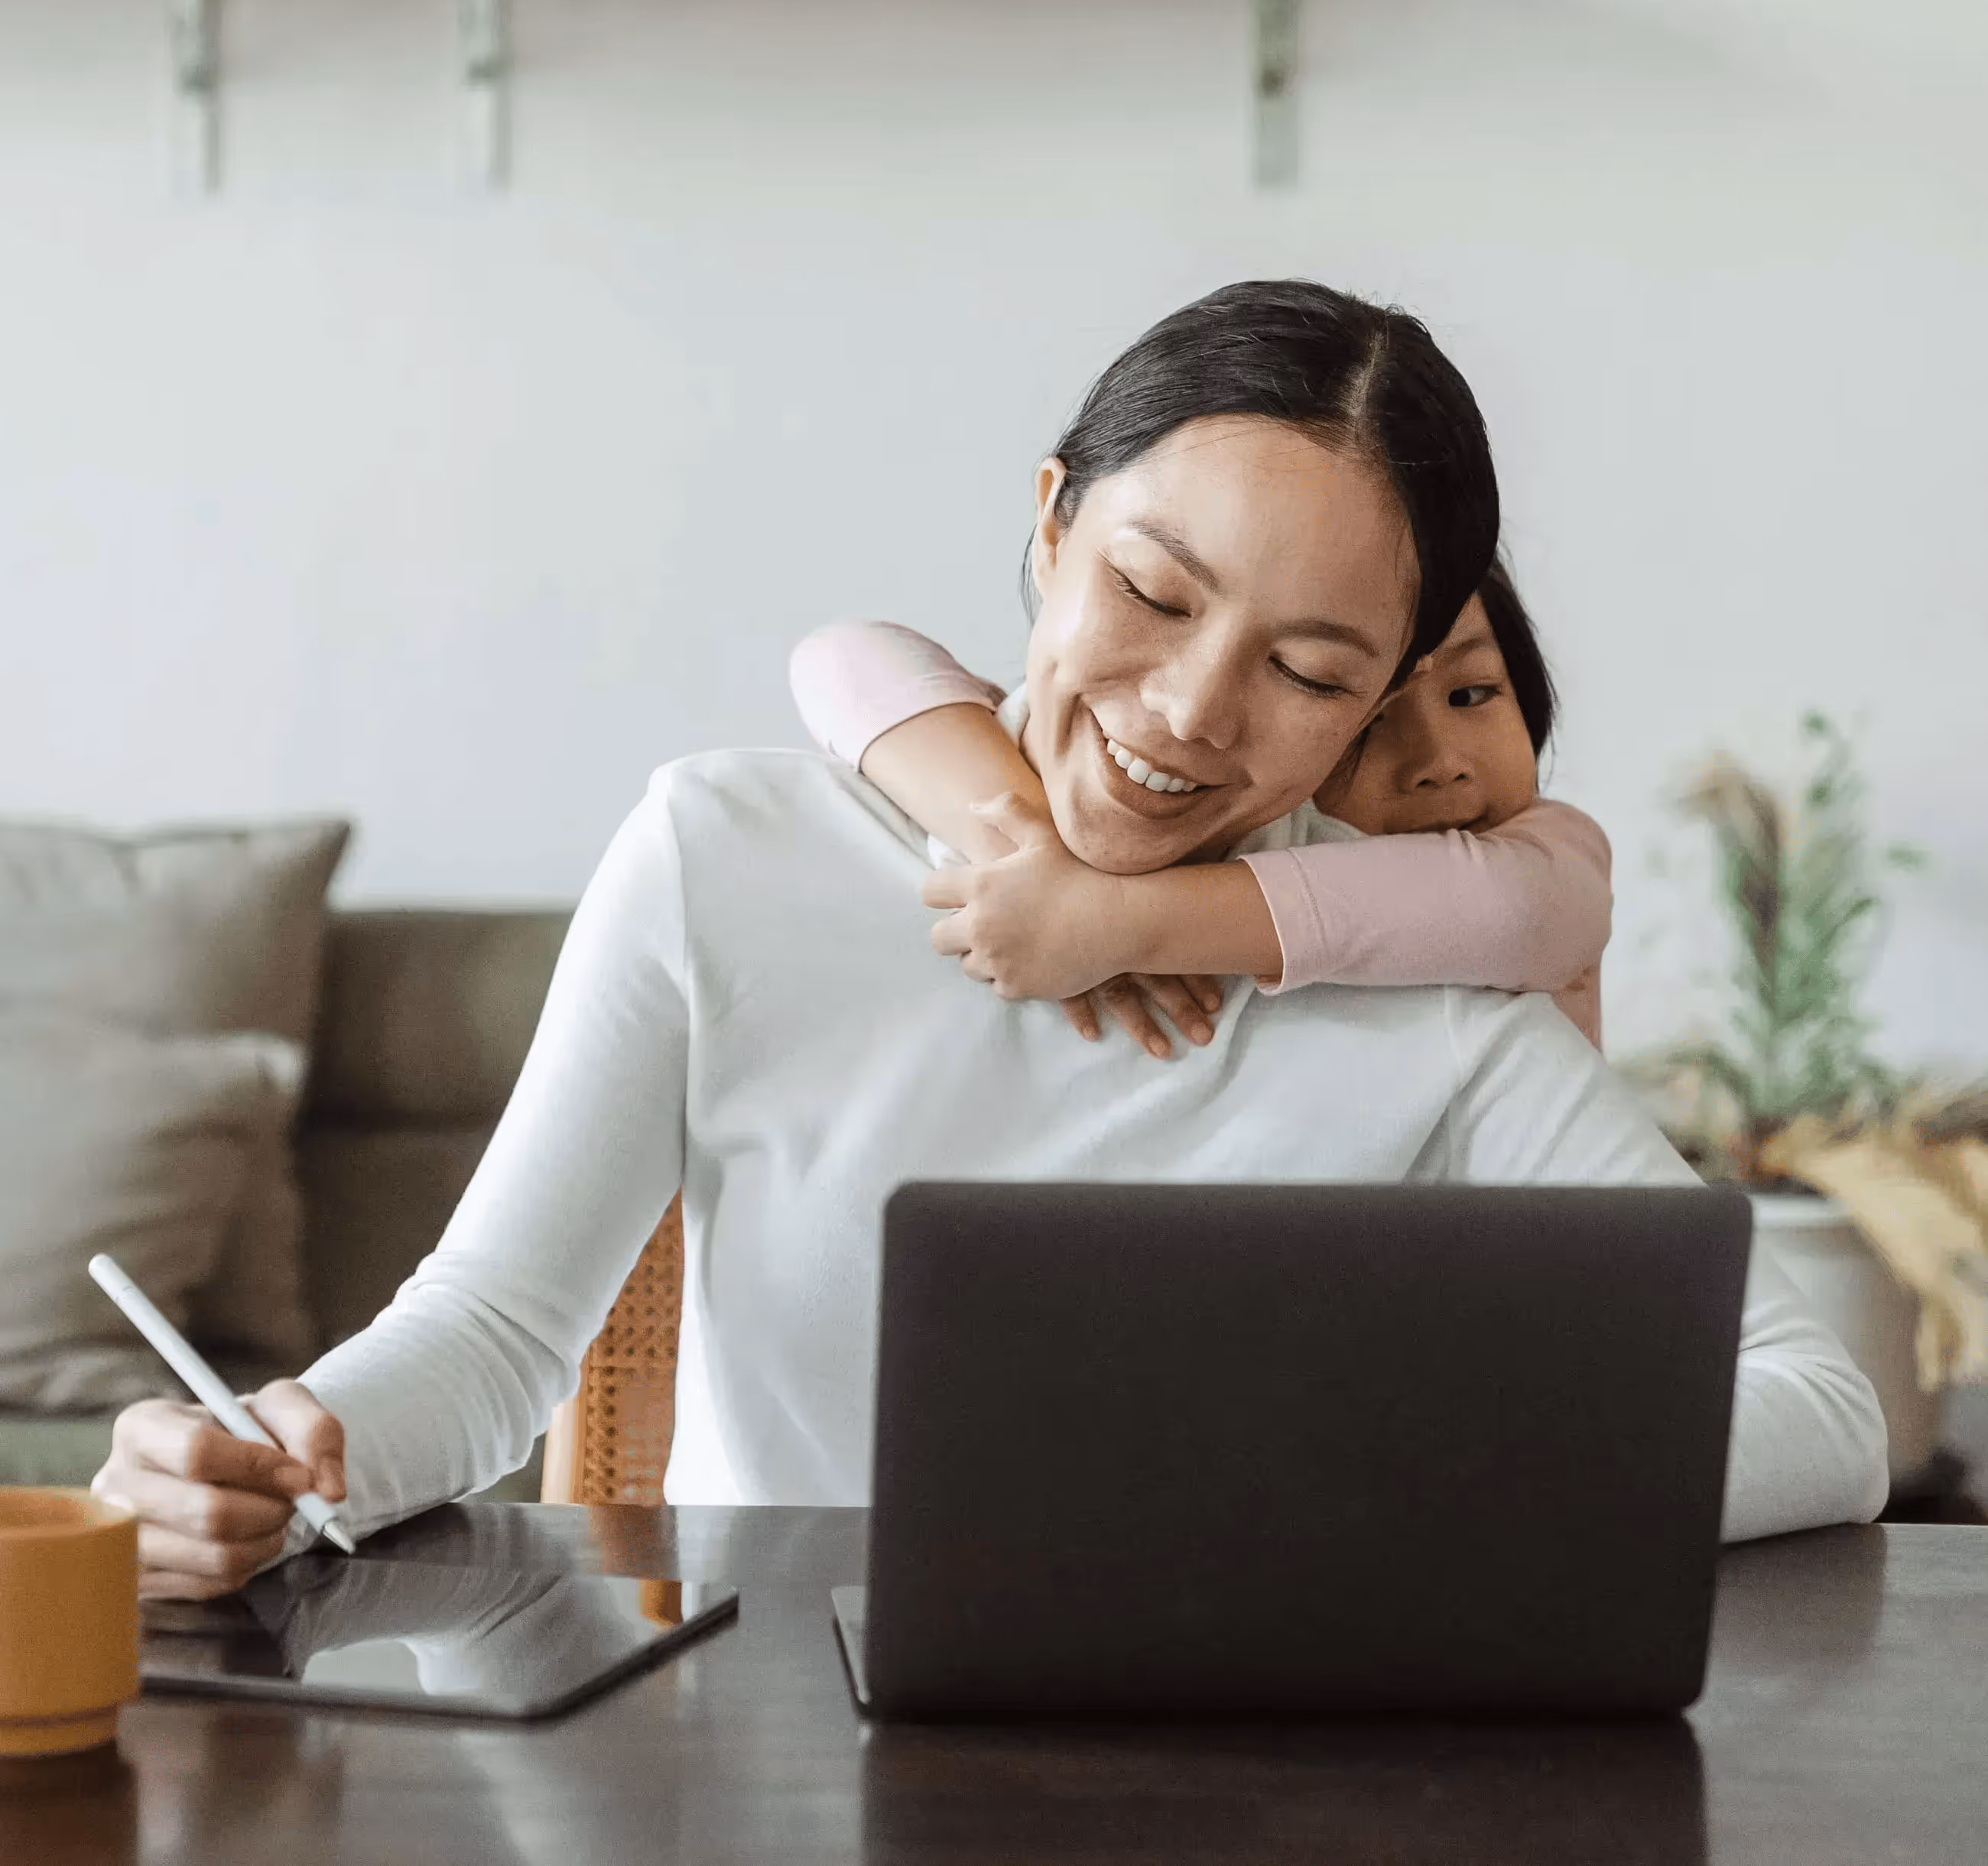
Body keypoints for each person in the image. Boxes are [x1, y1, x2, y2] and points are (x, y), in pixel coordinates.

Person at [93, 279, 1887, 1601]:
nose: (1189, 710)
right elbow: (493, 1335)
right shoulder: (728, 855)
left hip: (1257, 1775)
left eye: (1308, 670)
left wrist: (1405, 1488)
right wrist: (265, 1452)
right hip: (761, 1752)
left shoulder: (1422, 988)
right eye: (1152, 593)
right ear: (1046, 529)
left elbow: (1819, 1407)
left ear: (1379, 705)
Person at [789, 557, 1610, 1053]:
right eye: (1365, 720)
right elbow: (844, 657)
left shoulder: (1546, 855)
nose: (1438, 764)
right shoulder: (1243, 839)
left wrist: (1114, 917)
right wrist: (1029, 851)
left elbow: (1515, 909)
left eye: (1474, 693)